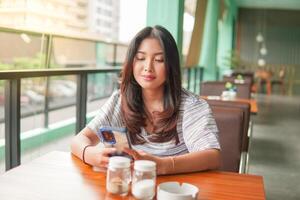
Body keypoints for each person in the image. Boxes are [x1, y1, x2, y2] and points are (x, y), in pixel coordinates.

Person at [71, 25, 220, 175]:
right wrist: (91, 155)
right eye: (141, 58)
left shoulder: (191, 106)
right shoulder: (120, 99)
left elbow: (212, 156)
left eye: (159, 60)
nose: (148, 67)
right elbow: (80, 139)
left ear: (170, 66)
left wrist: (162, 165)